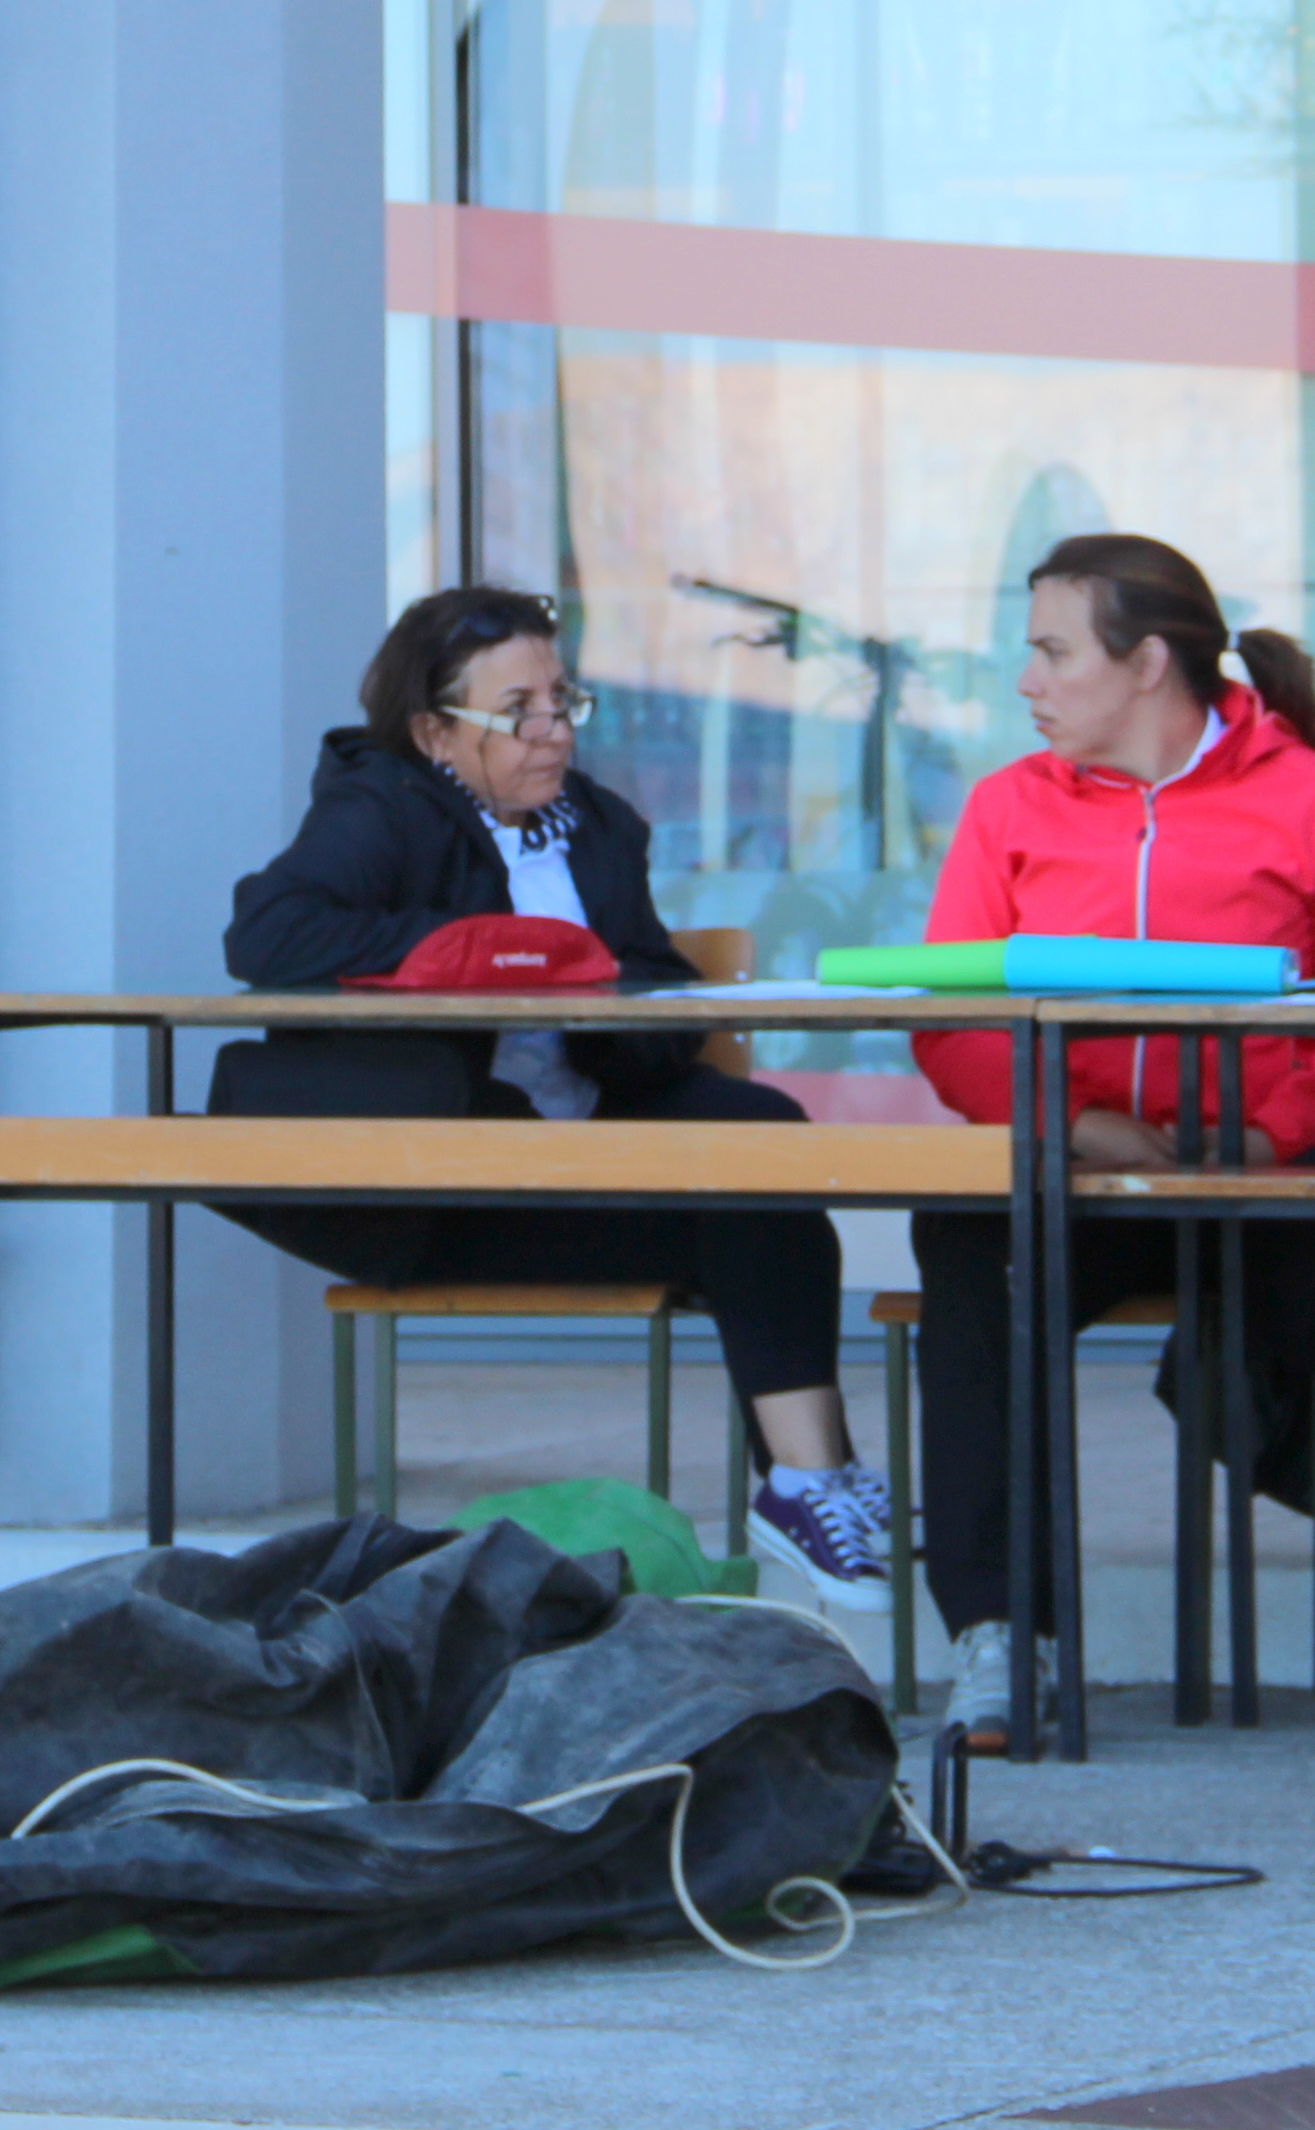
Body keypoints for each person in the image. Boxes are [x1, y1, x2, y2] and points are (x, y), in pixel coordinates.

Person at [905, 535, 1315, 1751]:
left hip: (1265, 1163)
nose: (1028, 681)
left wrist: (1272, 1136)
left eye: (1054, 651)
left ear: (1148, 662)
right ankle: (1001, 1638)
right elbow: (949, 1023)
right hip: (1081, 1165)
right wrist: (1074, 1123)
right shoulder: (1005, 804)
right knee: (966, 1234)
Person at [223, 587, 889, 1606]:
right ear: (434, 732)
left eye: (562, 701)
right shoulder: (381, 804)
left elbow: (651, 982)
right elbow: (268, 935)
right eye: (518, 711)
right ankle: (812, 1480)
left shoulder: (598, 826)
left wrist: (612, 1010)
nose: (554, 732)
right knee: (744, 1215)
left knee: (766, 1142)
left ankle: (809, 1484)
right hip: (450, 1181)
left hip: (585, 1148)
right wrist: (479, 955)